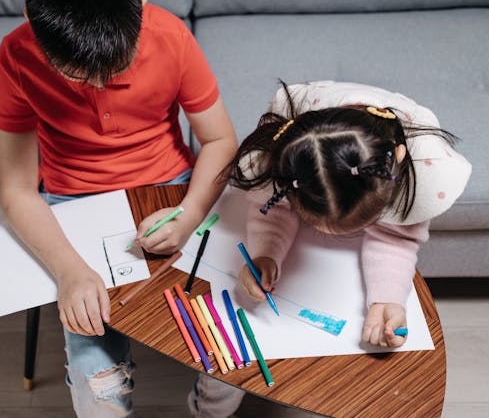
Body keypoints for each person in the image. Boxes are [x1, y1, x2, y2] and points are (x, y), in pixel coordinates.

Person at [0, 0, 237, 417]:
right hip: (71, 203)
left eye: (115, 66)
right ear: (31, 24)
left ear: (141, 7)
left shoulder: (170, 36)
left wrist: (188, 216)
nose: (100, 85)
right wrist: (69, 271)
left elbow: (220, 140)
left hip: (169, 190)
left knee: (231, 355)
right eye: (81, 76)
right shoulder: (16, 57)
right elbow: (18, 189)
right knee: (97, 384)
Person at [192, 79, 471, 416]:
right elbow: (271, 209)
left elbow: (396, 236)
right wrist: (265, 253)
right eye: (312, 219)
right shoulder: (282, 160)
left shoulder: (418, 175)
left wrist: (387, 298)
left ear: (396, 165)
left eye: (359, 224)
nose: (323, 234)